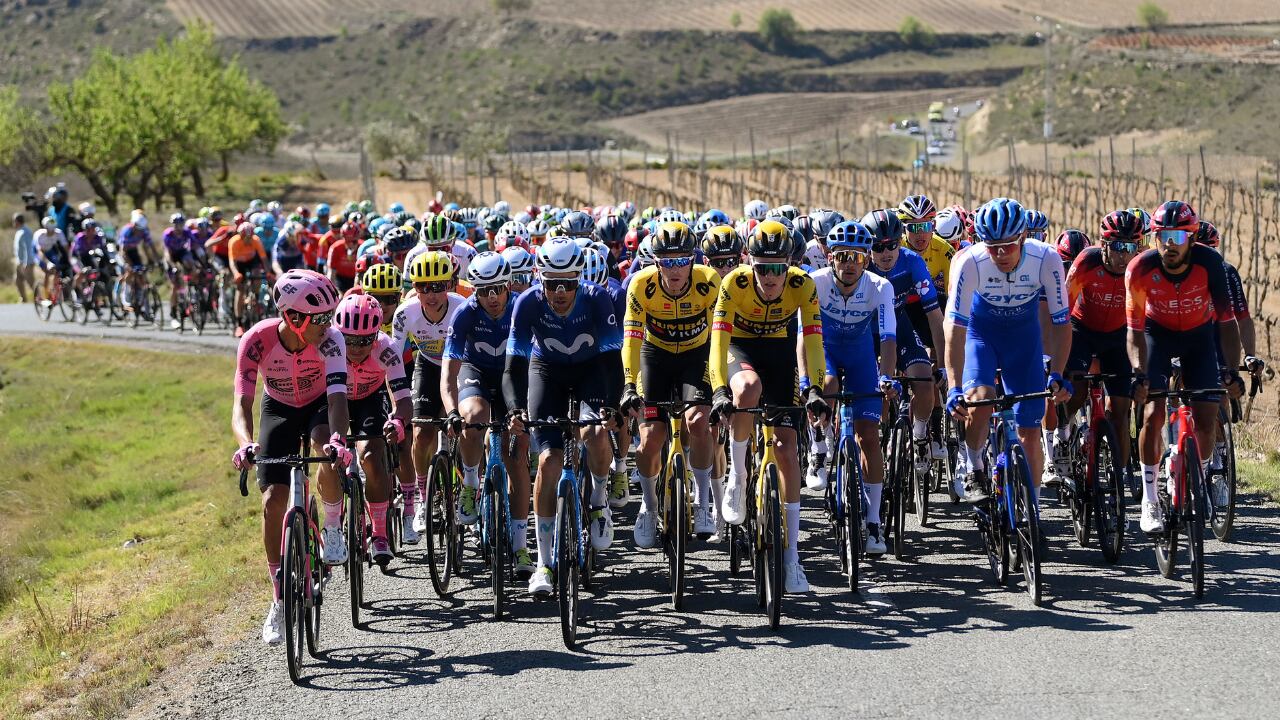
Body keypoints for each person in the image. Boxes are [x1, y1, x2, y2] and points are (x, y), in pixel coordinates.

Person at [229, 269, 351, 645]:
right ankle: (279, 598)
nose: (327, 325)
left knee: (321, 446)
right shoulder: (256, 341)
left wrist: (337, 439)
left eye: (330, 316)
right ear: (293, 317)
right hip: (278, 408)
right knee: (272, 500)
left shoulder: (331, 342)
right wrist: (246, 443)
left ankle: (331, 526)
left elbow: (337, 398)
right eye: (320, 318)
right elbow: (242, 403)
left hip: (317, 406)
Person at [708, 220, 828, 593]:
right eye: (763, 268)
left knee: (787, 449)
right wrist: (718, 391)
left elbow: (812, 342)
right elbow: (717, 343)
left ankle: (792, 559)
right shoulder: (734, 284)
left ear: (790, 264)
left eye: (779, 268)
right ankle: (738, 477)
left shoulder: (802, 285)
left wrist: (814, 389)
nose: (771, 277)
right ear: (750, 263)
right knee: (747, 387)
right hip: (739, 351)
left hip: (779, 357)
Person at [503, 238, 624, 597]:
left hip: (591, 371)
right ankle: (543, 564)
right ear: (539, 277)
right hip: (547, 373)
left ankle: (599, 501)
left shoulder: (597, 299)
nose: (559, 291)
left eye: (567, 283)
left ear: (579, 278)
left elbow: (612, 361)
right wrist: (513, 410)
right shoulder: (527, 303)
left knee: (596, 433)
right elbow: (513, 368)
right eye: (551, 282)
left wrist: (611, 405)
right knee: (549, 460)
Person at [944, 197, 1071, 506]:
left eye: (1008, 246)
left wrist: (1057, 373)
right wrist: (953, 387)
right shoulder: (968, 261)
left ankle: (1033, 509)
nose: (999, 254)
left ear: (1024, 237)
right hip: (981, 336)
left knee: (1029, 426)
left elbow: (1061, 322)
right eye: (992, 246)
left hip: (1023, 339)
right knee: (980, 400)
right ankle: (974, 465)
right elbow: (954, 329)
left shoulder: (1047, 258)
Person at [1127, 201, 1242, 534]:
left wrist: (1231, 370)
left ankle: (1199, 476)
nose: (1169, 244)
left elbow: (1226, 322)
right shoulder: (1139, 269)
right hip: (1155, 336)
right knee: (1152, 413)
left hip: (1199, 337)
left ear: (1192, 238)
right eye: (1161, 236)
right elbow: (1133, 330)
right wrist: (1138, 371)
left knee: (1207, 419)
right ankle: (1150, 500)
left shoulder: (1210, 264)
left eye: (1178, 236)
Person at [620, 221, 722, 546]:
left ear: (693, 260)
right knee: (651, 438)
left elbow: (720, 338)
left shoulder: (709, 282)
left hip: (696, 357)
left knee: (699, 421)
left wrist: (721, 384)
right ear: (655, 261)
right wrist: (628, 385)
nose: (674, 268)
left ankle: (703, 500)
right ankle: (648, 508)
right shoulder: (640, 285)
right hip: (655, 358)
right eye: (666, 260)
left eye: (681, 260)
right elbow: (632, 341)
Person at [441, 252, 535, 579]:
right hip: (475, 372)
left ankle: (522, 546)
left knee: (518, 452)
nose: (492, 298)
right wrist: (452, 412)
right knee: (474, 415)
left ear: (508, 284)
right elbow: (447, 374)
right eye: (483, 291)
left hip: (512, 374)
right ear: (475, 291)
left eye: (498, 289)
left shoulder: (522, 308)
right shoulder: (464, 314)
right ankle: (469, 482)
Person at [808, 220, 900, 554]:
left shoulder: (879, 287)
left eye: (858, 258)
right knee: (827, 384)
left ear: (867, 260)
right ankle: (818, 446)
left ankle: (873, 522)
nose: (850, 264)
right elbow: (804, 338)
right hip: (827, 353)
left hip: (862, 358)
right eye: (843, 256)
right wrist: (807, 383)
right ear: (830, 257)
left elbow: (888, 337)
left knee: (869, 437)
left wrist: (886, 375)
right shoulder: (813, 283)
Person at [1050, 212, 1142, 488]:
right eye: (1118, 245)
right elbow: (1063, 309)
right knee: (1075, 387)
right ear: (1104, 244)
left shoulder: (1139, 268)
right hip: (1082, 330)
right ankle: (1063, 434)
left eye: (1131, 247)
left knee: (1120, 410)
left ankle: (1120, 479)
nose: (1124, 255)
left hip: (1118, 335)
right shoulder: (1087, 262)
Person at [333, 293, 411, 568]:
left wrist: (398, 421)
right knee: (331, 457)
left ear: (376, 334)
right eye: (349, 339)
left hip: (370, 400)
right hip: (334, 399)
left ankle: (379, 533)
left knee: (370, 457)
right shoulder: (327, 346)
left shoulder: (386, 348)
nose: (355, 347)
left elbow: (402, 398)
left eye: (365, 340)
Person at [392, 251, 466, 537]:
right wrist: (397, 402)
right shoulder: (405, 313)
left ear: (449, 284)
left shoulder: (462, 307)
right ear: (415, 287)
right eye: (424, 286)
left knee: (470, 427)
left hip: (461, 366)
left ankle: (473, 489)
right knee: (421, 432)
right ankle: (424, 498)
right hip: (427, 365)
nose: (431, 294)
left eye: (438, 286)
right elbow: (394, 361)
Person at [12, 213, 35, 303]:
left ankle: (39, 299)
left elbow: (28, 248)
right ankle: (23, 299)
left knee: (31, 282)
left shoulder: (25, 232)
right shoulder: (20, 231)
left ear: (17, 221)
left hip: (26, 262)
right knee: (18, 281)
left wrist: (26, 263)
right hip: (19, 261)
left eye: (14, 221)